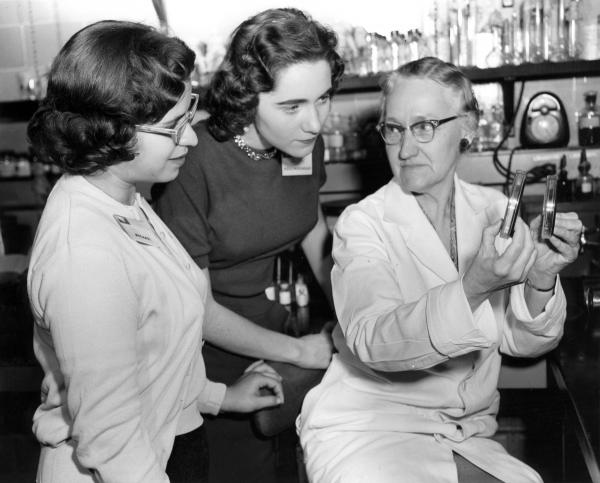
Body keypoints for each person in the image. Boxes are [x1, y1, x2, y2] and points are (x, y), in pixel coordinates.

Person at [297, 57, 583, 483]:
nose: (406, 149)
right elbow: (372, 339)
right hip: (371, 427)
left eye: (425, 126)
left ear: (466, 127)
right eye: (394, 129)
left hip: (465, 431)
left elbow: (522, 344)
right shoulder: (363, 223)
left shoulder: (494, 212)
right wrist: (472, 287)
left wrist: (541, 276)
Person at [26, 20, 284, 483]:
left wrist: (218, 396)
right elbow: (111, 442)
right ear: (111, 131)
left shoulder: (124, 198)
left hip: (169, 442)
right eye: (173, 127)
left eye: (189, 116)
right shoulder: (85, 255)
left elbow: (152, 350)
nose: (189, 138)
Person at [152, 7, 343, 482]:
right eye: (292, 105)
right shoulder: (193, 162)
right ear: (246, 96)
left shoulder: (301, 144)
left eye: (323, 99)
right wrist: (299, 352)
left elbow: (312, 228)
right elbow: (197, 307)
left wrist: (354, 312)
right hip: (203, 353)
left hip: (274, 328)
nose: (315, 122)